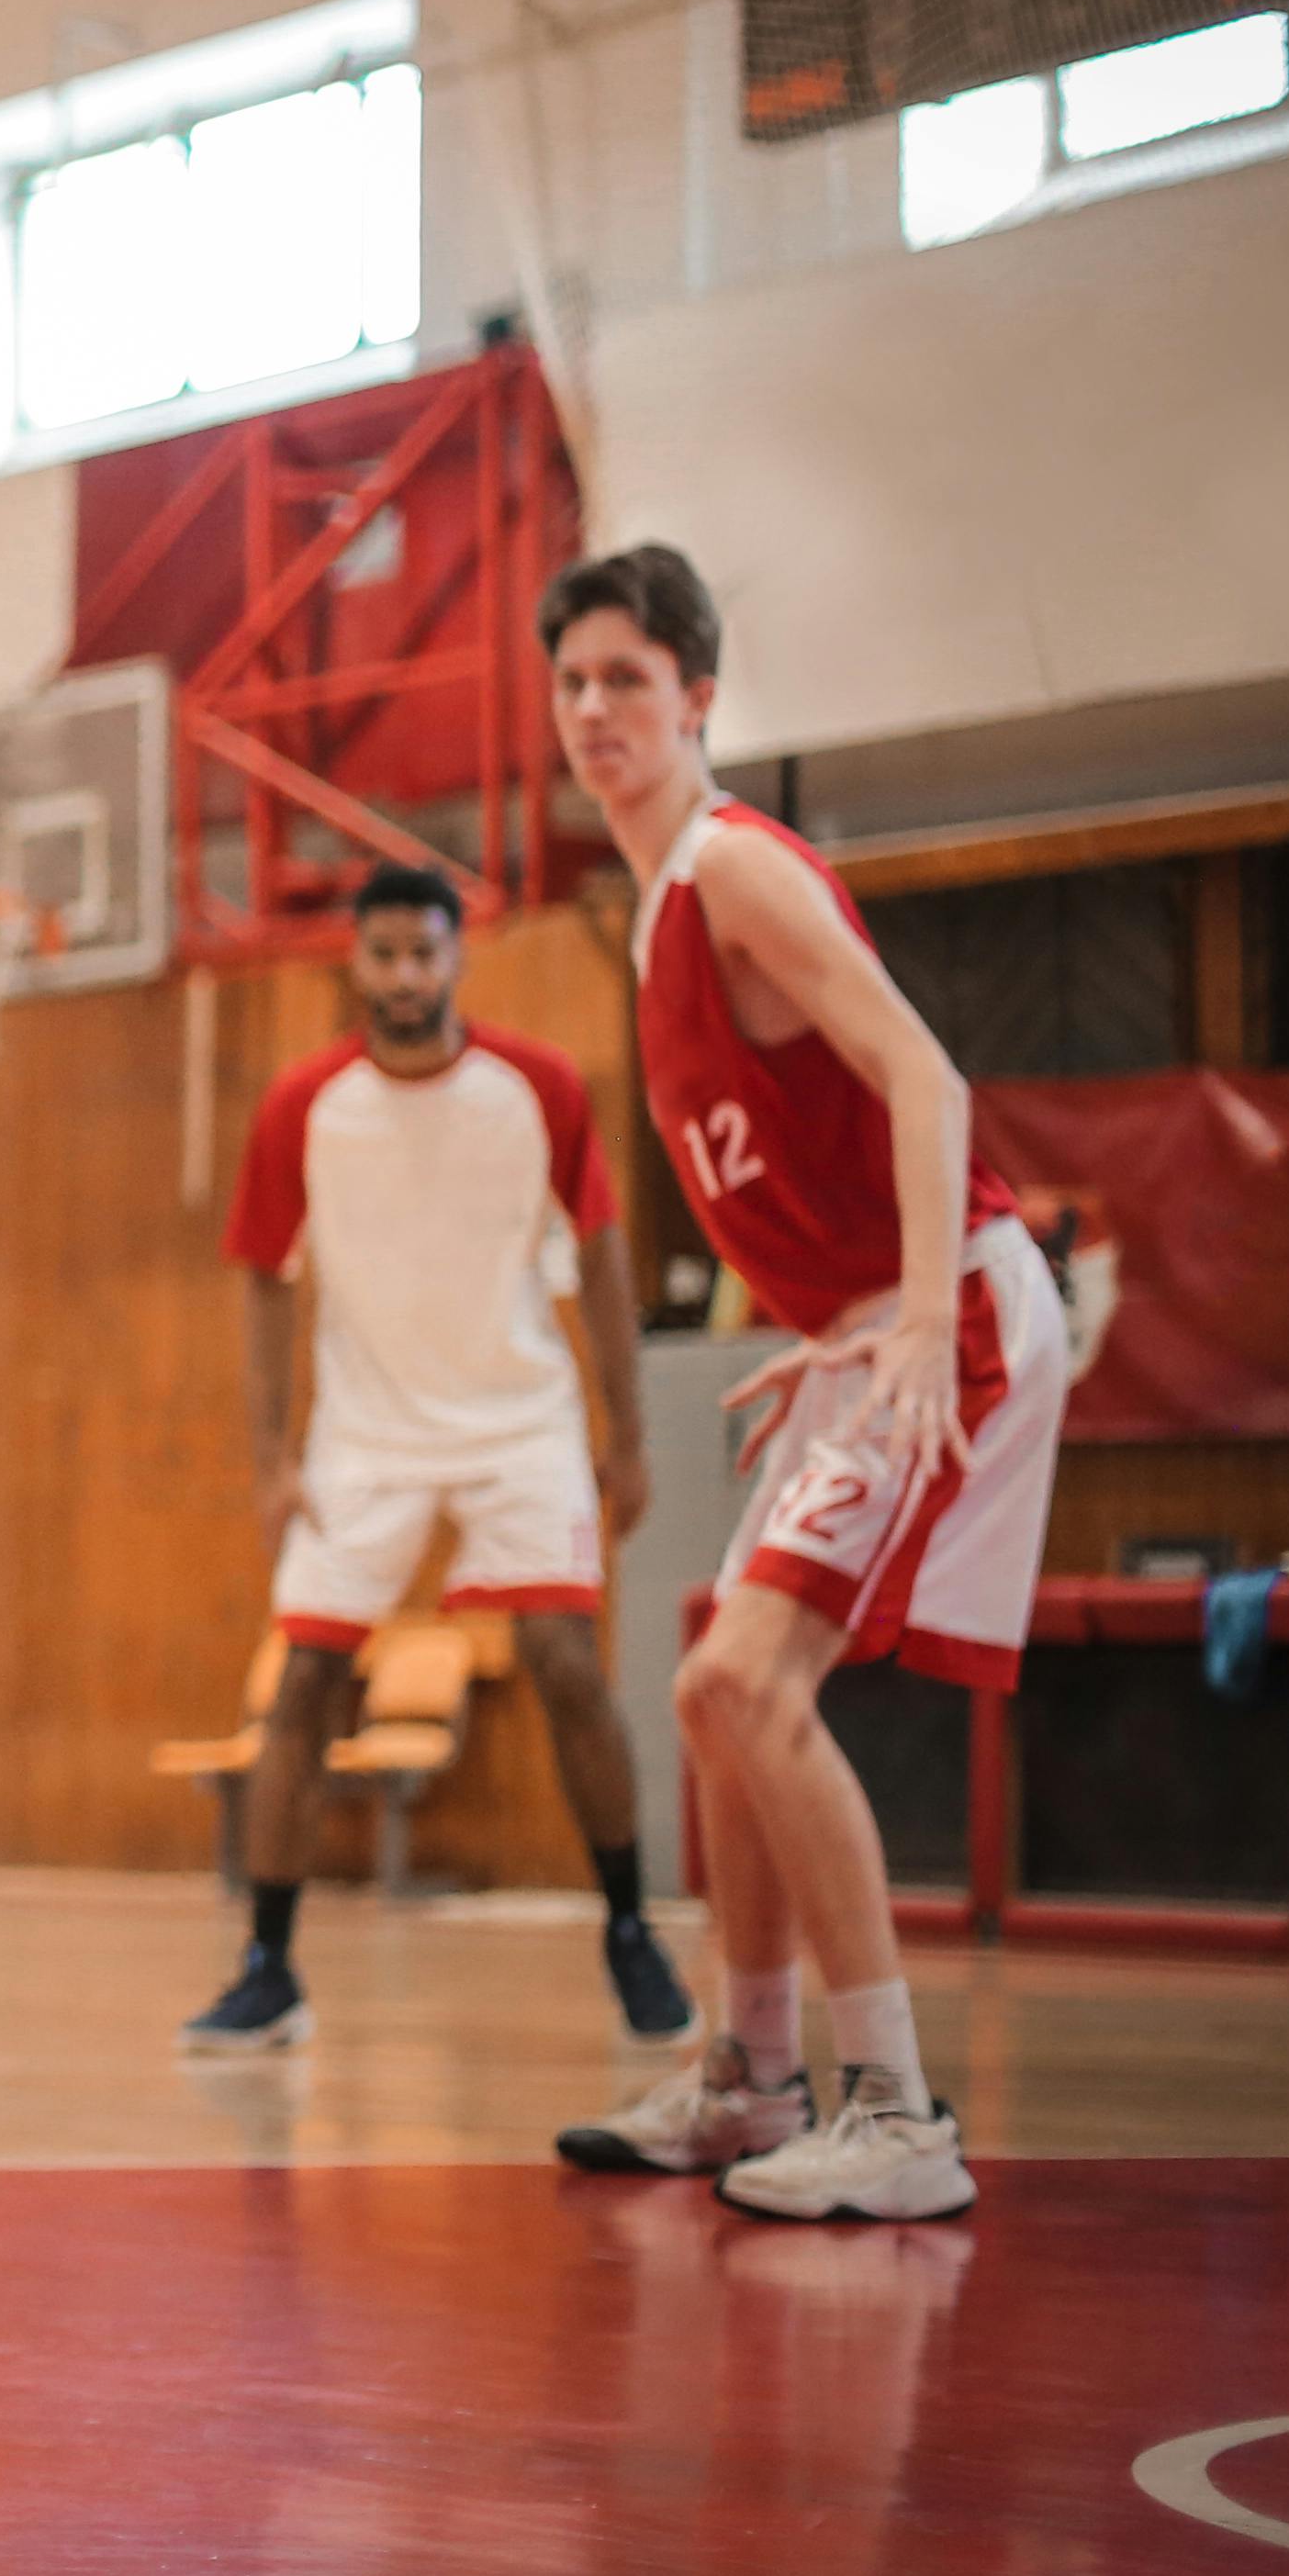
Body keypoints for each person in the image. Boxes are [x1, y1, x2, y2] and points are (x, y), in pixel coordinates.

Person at [535, 544, 1065, 2224]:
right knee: (712, 1683)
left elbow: (926, 1074)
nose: (595, 708)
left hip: (958, 1306)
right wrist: (826, 1316)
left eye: (629, 678)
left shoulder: (732, 869)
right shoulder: (651, 922)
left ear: (699, 701)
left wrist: (911, 1320)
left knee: (749, 1682)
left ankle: (896, 2114)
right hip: (872, 1317)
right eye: (572, 683)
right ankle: (751, 2082)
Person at [185, 860, 686, 2057]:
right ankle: (268, 1966)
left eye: (425, 952)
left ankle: (629, 1929)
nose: (405, 975)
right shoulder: (302, 1107)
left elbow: (606, 1258)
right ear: (353, 962)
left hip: (522, 1420)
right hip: (364, 1435)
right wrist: (270, 1453)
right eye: (384, 955)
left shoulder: (542, 1090)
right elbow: (262, 1275)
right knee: (300, 1685)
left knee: (567, 1662)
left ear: (458, 956)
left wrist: (627, 1436)